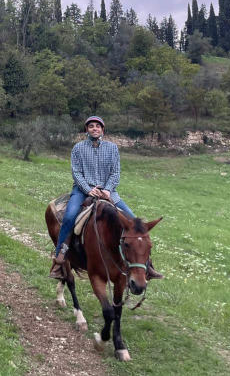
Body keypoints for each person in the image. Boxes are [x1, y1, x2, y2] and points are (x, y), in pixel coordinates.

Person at [49, 116, 164, 280]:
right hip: (82, 191)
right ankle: (60, 259)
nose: (94, 128)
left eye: (97, 126)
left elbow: (115, 172)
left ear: (103, 130)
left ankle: (148, 266)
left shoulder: (112, 148)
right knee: (69, 216)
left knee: (137, 224)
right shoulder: (78, 148)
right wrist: (89, 190)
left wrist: (108, 190)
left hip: (109, 192)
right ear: (86, 130)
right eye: (91, 126)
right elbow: (76, 173)